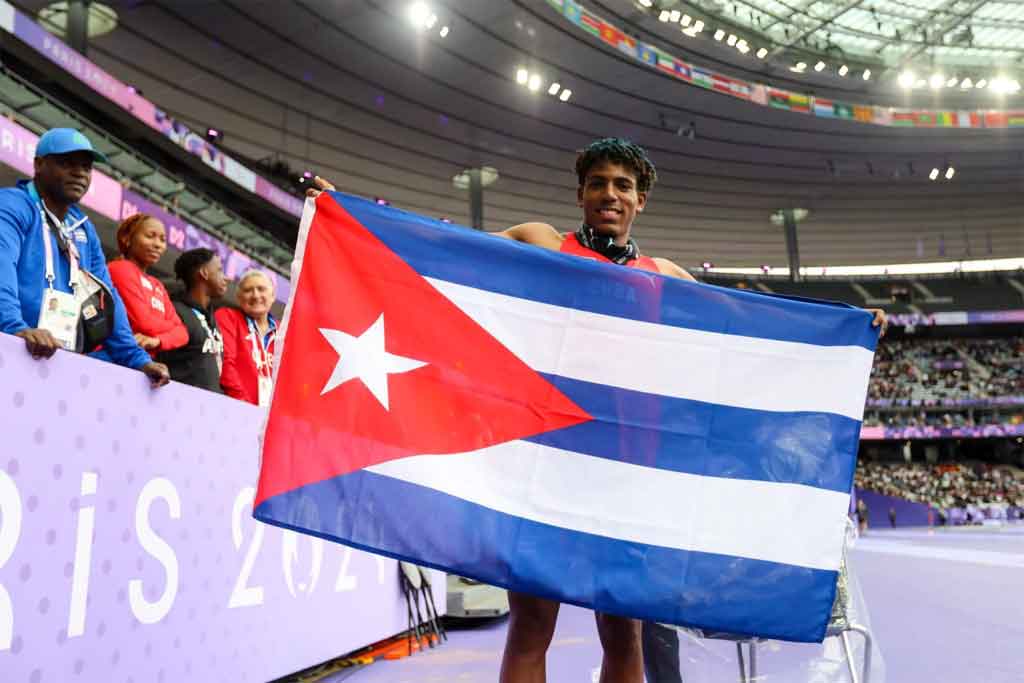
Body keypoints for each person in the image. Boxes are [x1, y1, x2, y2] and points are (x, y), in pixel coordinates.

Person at [307, 137, 886, 683]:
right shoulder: (542, 243)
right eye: (599, 183)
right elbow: (446, 250)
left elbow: (749, 329)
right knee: (532, 626)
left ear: (640, 200)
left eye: (623, 185)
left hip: (628, 476)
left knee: (623, 634)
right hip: (544, 465)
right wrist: (353, 220)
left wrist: (849, 328)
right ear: (581, 193)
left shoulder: (665, 276)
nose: (611, 194)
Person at [0, 127, 169, 386]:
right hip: (13, 347)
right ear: (38, 164)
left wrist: (137, 358)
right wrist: (15, 328)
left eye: (86, 167)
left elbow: (106, 296)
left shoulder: (83, 228)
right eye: (67, 163)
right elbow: (2, 267)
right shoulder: (12, 205)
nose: (79, 173)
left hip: (58, 356)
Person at [108, 213, 188, 356]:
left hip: (141, 361)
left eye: (163, 240)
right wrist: (171, 326)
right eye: (150, 236)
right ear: (127, 239)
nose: (158, 244)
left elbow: (183, 334)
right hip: (111, 358)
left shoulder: (157, 285)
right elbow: (143, 322)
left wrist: (158, 340)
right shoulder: (120, 268)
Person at [157, 248, 227, 392]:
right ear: (204, 273)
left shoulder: (211, 318)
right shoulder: (175, 311)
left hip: (210, 402)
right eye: (219, 270)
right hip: (179, 400)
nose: (226, 278)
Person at [216, 269, 277, 405]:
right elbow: (226, 363)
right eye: (248, 290)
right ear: (239, 299)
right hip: (237, 407)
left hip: (274, 413)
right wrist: (244, 406)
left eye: (261, 289)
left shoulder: (284, 331)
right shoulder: (228, 317)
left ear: (273, 295)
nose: (255, 295)